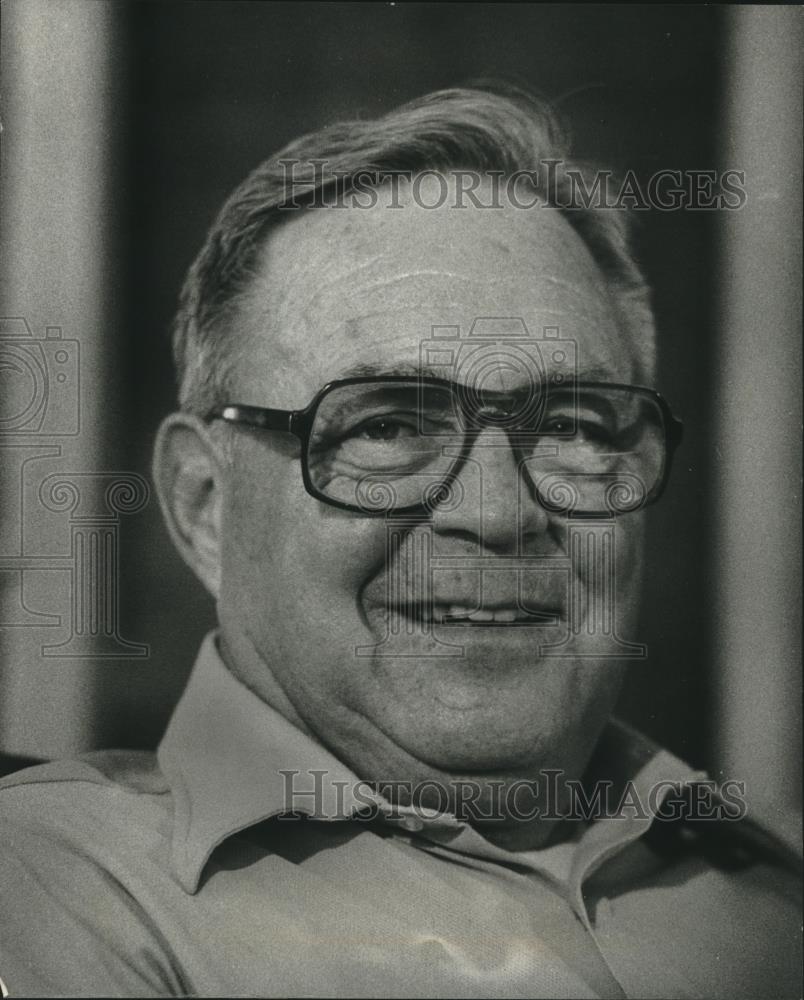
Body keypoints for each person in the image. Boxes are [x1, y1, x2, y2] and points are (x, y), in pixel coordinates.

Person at [0, 85, 800, 999]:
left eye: (574, 427)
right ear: (204, 503)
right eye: (384, 427)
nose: (497, 514)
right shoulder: (53, 893)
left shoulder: (773, 880)